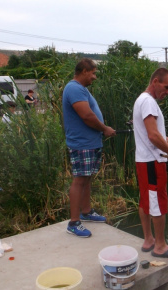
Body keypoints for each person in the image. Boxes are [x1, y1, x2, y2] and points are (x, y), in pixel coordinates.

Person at [133, 68, 168, 259]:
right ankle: (161, 246)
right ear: (155, 81)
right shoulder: (149, 102)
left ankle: (149, 240)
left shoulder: (141, 99)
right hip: (153, 163)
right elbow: (153, 135)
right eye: (166, 87)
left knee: (146, 199)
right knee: (158, 201)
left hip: (143, 161)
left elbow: (154, 135)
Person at [62, 58, 116, 238]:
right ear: (84, 71)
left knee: (86, 179)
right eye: (93, 73)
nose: (94, 77)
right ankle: (73, 222)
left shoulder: (81, 89)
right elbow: (86, 115)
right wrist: (105, 129)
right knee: (79, 180)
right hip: (81, 144)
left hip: (90, 143)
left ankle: (86, 212)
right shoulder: (74, 88)